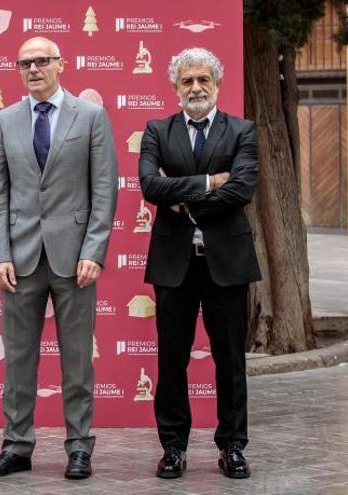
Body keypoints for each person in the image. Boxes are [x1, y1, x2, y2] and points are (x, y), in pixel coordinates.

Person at [0, 36, 118, 480]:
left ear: (60, 64)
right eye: (26, 63)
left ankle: (79, 446)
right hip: (19, 259)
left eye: (42, 61)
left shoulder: (91, 116)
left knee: (77, 360)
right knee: (18, 360)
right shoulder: (5, 120)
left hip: (75, 258)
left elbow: (103, 191)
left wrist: (94, 251)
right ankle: (17, 445)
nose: (34, 68)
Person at [138, 47, 261, 480]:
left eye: (203, 79)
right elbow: (151, 186)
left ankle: (233, 447)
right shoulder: (156, 130)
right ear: (175, 87)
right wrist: (210, 183)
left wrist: (184, 200)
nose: (196, 87)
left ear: (217, 84)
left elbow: (242, 189)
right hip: (175, 266)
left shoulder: (242, 130)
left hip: (227, 263)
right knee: (172, 360)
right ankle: (173, 448)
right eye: (187, 80)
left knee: (230, 361)